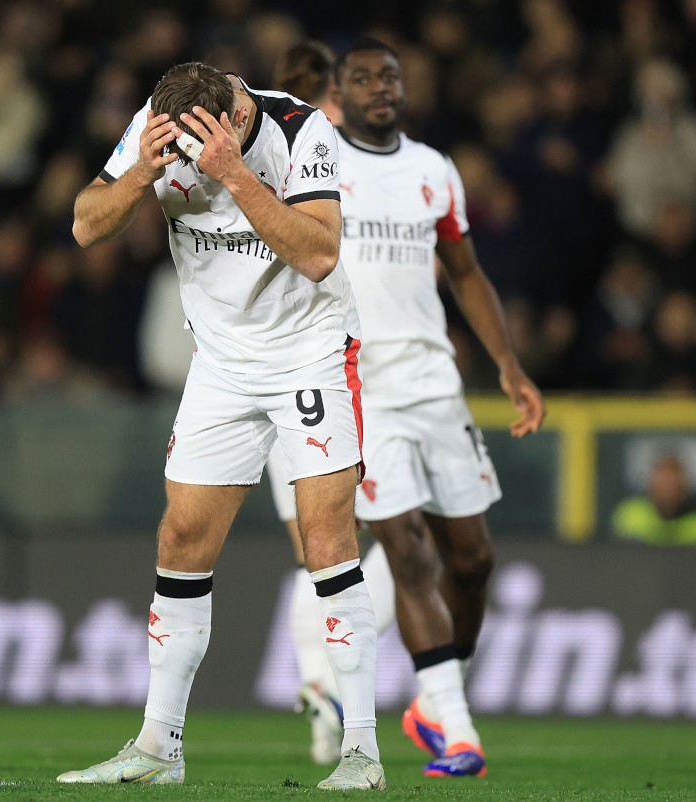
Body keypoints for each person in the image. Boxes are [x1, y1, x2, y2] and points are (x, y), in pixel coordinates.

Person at [59, 62, 385, 790]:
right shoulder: (162, 121)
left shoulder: (302, 129)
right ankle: (158, 747)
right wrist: (140, 174)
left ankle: (361, 751)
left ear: (234, 119)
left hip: (310, 354)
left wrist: (235, 176)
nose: (185, 161)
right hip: (222, 366)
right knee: (180, 540)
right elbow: (85, 223)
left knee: (326, 538)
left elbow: (320, 251)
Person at [331, 38, 546, 778]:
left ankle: (434, 699)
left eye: (388, 76)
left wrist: (509, 366)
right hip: (360, 387)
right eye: (361, 78)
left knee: (474, 559)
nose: (378, 88)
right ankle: (457, 727)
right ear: (340, 90)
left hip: (434, 381)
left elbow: (465, 272)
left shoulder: (433, 171)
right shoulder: (319, 161)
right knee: (407, 548)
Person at [269, 39, 399, 768]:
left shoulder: (264, 153)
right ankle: (332, 691)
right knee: (377, 541)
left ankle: (320, 685)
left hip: (266, 372)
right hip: (341, 373)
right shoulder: (336, 158)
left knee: (315, 553)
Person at [610, 454, 696, 546]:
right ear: (650, 485)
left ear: (686, 486)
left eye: (674, 486)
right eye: (662, 485)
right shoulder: (630, 515)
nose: (668, 488)